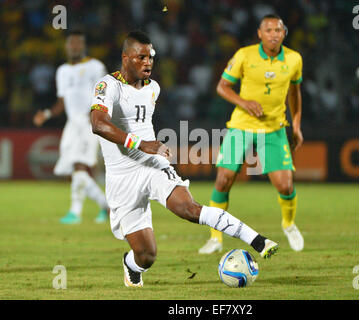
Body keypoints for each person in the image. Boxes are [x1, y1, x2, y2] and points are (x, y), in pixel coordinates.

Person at [89, 30, 279, 287]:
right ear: (125, 57)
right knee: (146, 256)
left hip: (152, 165)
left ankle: (258, 240)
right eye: (141, 57)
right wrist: (141, 143)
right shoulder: (107, 86)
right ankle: (130, 264)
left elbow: (144, 126)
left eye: (151, 57)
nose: (148, 62)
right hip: (122, 178)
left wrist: (155, 148)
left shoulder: (153, 88)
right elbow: (99, 124)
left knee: (189, 209)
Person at [199, 14, 305, 254]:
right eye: (268, 30)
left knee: (286, 187)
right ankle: (215, 238)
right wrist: (244, 102)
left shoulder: (294, 59)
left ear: (284, 33)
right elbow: (222, 87)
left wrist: (296, 125)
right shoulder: (244, 55)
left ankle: (288, 224)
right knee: (223, 179)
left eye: (278, 30)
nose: (273, 34)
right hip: (241, 126)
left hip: (274, 128)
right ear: (260, 33)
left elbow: (295, 94)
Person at [33, 31, 109, 224]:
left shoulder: (96, 66)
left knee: (79, 165)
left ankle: (75, 212)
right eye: (71, 44)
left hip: (89, 122)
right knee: (73, 169)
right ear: (66, 47)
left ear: (83, 46)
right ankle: (105, 205)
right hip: (71, 124)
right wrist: (47, 114)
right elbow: (61, 103)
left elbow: (106, 94)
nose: (74, 47)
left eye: (78, 43)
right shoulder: (62, 71)